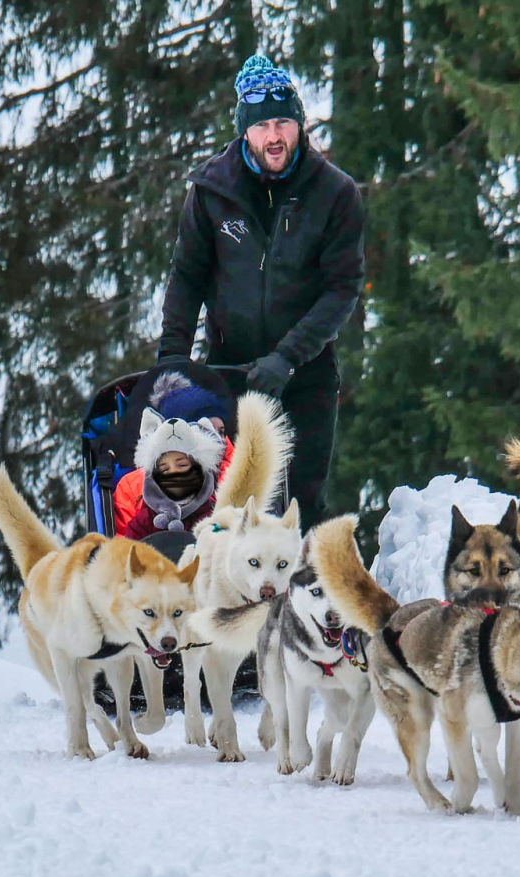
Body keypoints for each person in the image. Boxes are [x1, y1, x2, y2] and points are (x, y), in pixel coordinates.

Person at [155, 53, 366, 530]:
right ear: (245, 130)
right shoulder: (211, 190)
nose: (275, 136)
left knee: (300, 507)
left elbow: (342, 288)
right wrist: (172, 360)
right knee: (225, 505)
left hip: (305, 374)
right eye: (264, 125)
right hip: (228, 370)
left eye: (284, 122)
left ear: (300, 124)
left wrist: (288, 356)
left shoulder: (335, 194)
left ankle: (297, 601)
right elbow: (187, 277)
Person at [112, 372, 236, 540]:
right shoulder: (133, 486)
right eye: (205, 431)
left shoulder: (239, 473)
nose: (215, 439)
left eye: (220, 431)